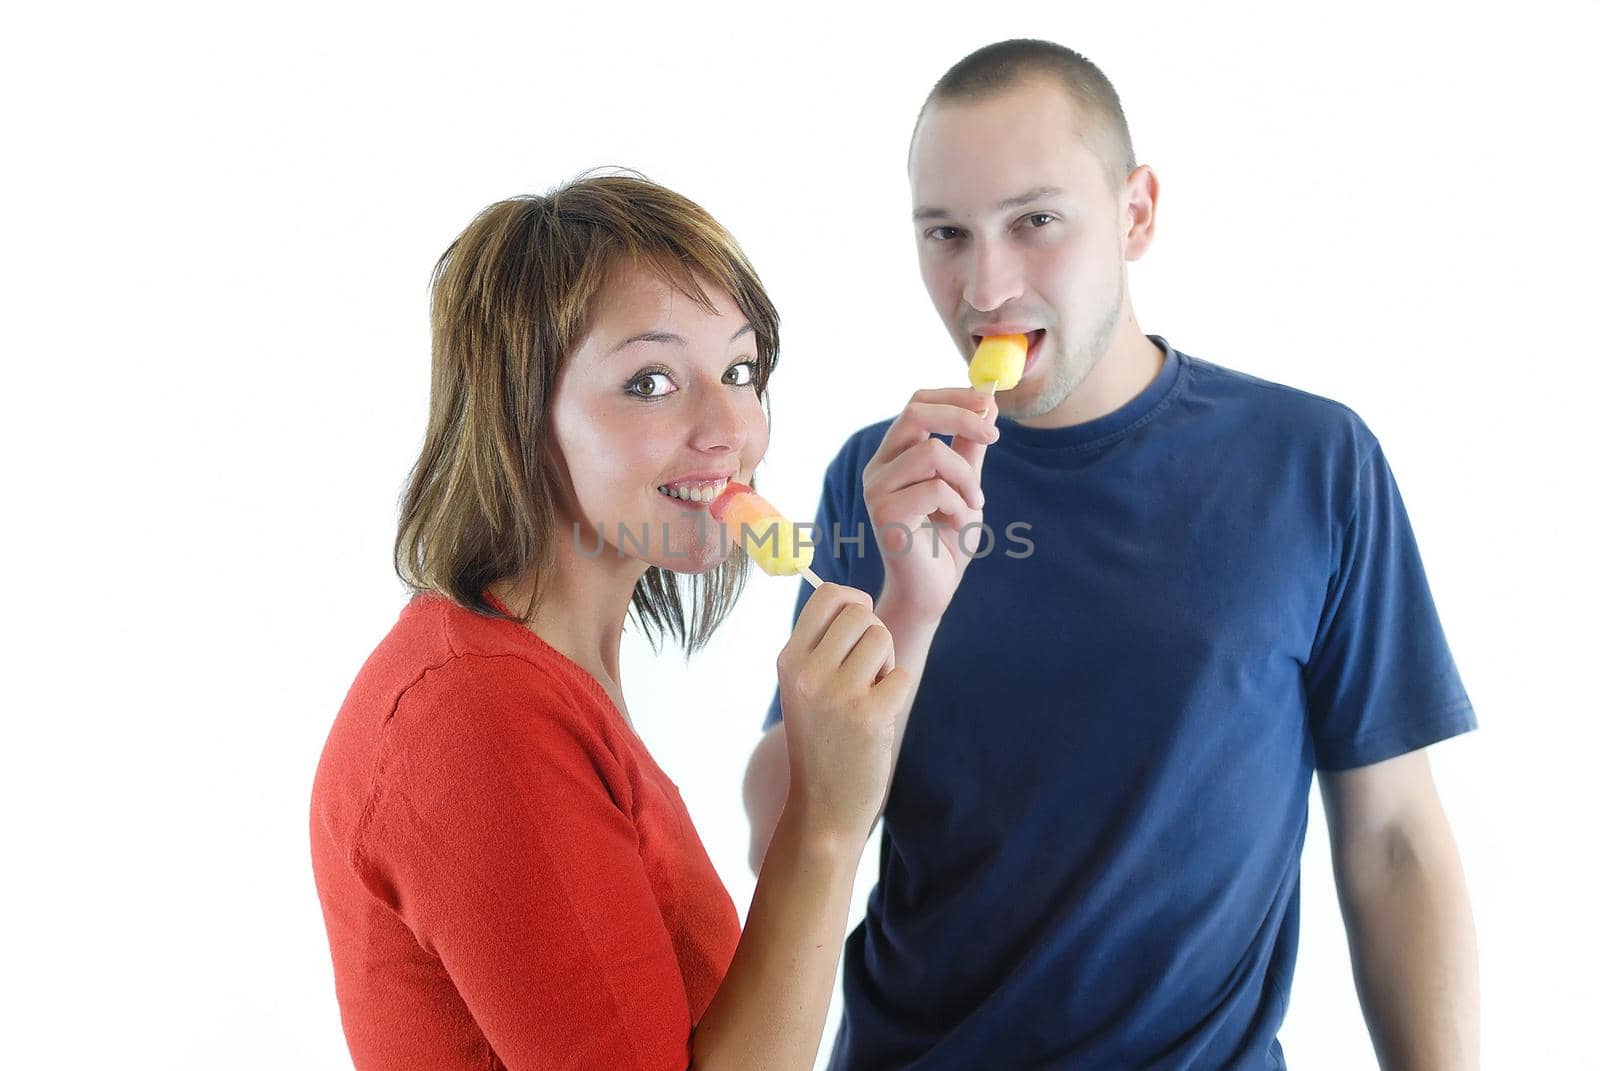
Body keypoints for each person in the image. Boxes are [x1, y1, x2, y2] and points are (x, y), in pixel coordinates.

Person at [744, 40, 1480, 1070]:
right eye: (945, 234)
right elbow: (780, 833)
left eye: (1034, 223)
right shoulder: (878, 477)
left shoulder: (1311, 463)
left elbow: (1395, 841)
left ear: (1134, 214)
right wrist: (905, 604)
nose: (986, 285)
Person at [309, 173, 928, 1070]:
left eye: (741, 370)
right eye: (650, 380)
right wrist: (827, 823)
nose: (730, 427)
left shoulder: (545, 675)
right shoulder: (476, 719)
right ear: (518, 415)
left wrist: (913, 596)